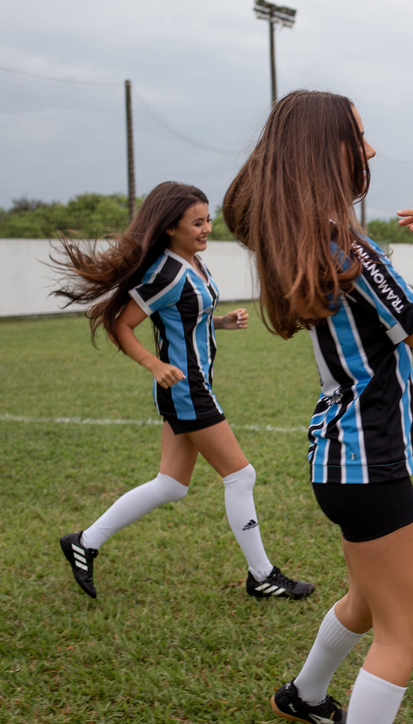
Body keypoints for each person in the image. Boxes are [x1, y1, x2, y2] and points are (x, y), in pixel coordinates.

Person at [221, 90, 413, 724]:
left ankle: (304, 695)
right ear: (326, 150)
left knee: (369, 603)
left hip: (338, 456)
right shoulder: (347, 244)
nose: (370, 151)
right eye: (359, 138)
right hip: (366, 458)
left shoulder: (305, 235)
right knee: (405, 630)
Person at [51, 182, 313, 601]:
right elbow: (122, 324)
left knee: (171, 485)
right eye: (197, 222)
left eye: (208, 219)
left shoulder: (194, 264)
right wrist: (153, 364)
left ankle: (84, 542)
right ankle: (261, 574)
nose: (207, 227)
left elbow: (189, 317)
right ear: (171, 227)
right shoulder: (166, 274)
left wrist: (222, 322)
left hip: (193, 388)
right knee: (241, 476)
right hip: (187, 391)